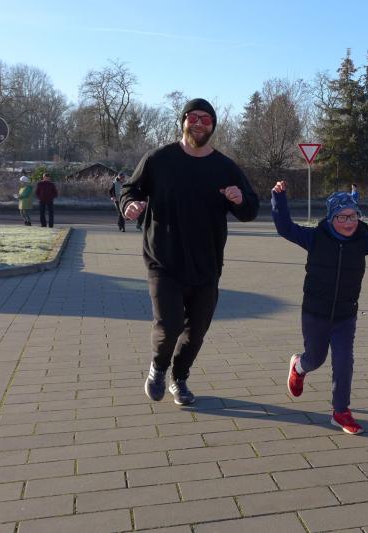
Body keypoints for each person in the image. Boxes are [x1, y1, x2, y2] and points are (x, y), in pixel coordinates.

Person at [120, 98, 260, 406]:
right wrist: (128, 204)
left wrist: (239, 199)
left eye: (205, 119)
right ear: (183, 121)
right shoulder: (158, 159)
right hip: (164, 259)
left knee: (196, 332)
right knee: (170, 324)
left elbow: (251, 209)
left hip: (206, 264)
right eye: (193, 117)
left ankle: (179, 378)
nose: (198, 124)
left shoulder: (225, 167)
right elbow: (131, 189)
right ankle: (158, 369)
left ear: (213, 127)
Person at [272, 181, 368, 434]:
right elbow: (285, 228)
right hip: (315, 313)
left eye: (353, 216)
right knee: (315, 358)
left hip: (345, 315)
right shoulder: (315, 237)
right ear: (331, 218)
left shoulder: (363, 240)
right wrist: (279, 198)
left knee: (343, 362)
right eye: (342, 216)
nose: (349, 222)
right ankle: (298, 366)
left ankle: (340, 411)